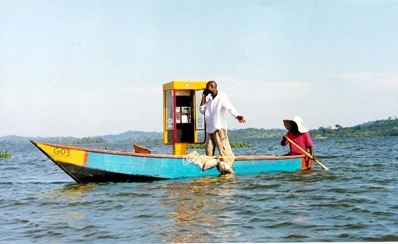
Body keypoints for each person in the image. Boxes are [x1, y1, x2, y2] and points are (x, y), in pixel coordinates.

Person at [199, 81, 246, 174]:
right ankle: (211, 169)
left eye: (207, 87)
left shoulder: (221, 96)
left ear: (213, 86)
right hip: (210, 130)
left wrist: (237, 116)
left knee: (225, 152)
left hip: (219, 129)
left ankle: (228, 167)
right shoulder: (209, 100)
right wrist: (204, 96)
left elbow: (230, 107)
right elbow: (202, 110)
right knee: (208, 152)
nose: (206, 89)